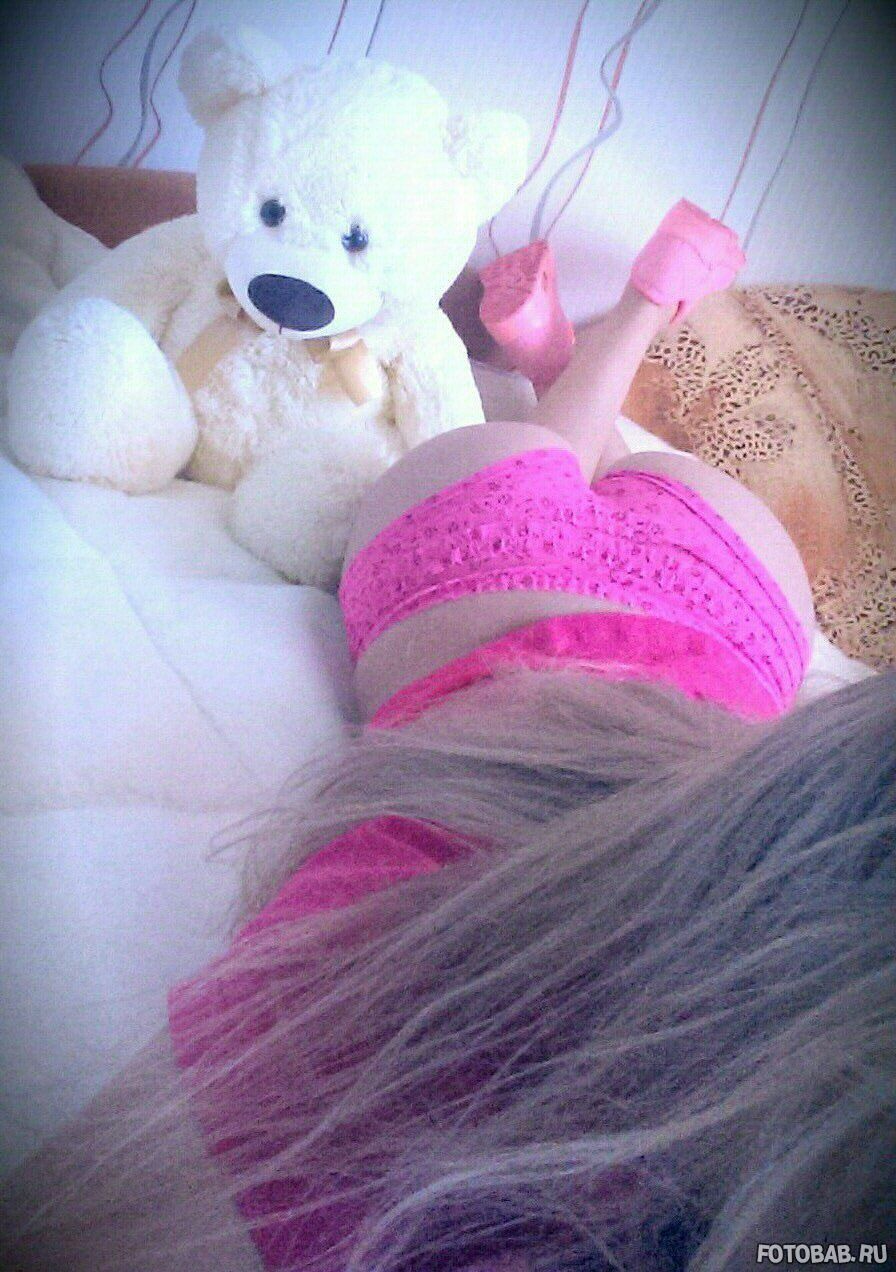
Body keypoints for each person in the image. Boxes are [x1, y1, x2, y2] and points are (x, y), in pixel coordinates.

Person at [3, 203, 894, 1272]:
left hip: (722, 590)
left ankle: (614, 329)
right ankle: (590, 348)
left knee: (557, 464)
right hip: (502, 567)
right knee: (548, 470)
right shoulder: (430, 1053)